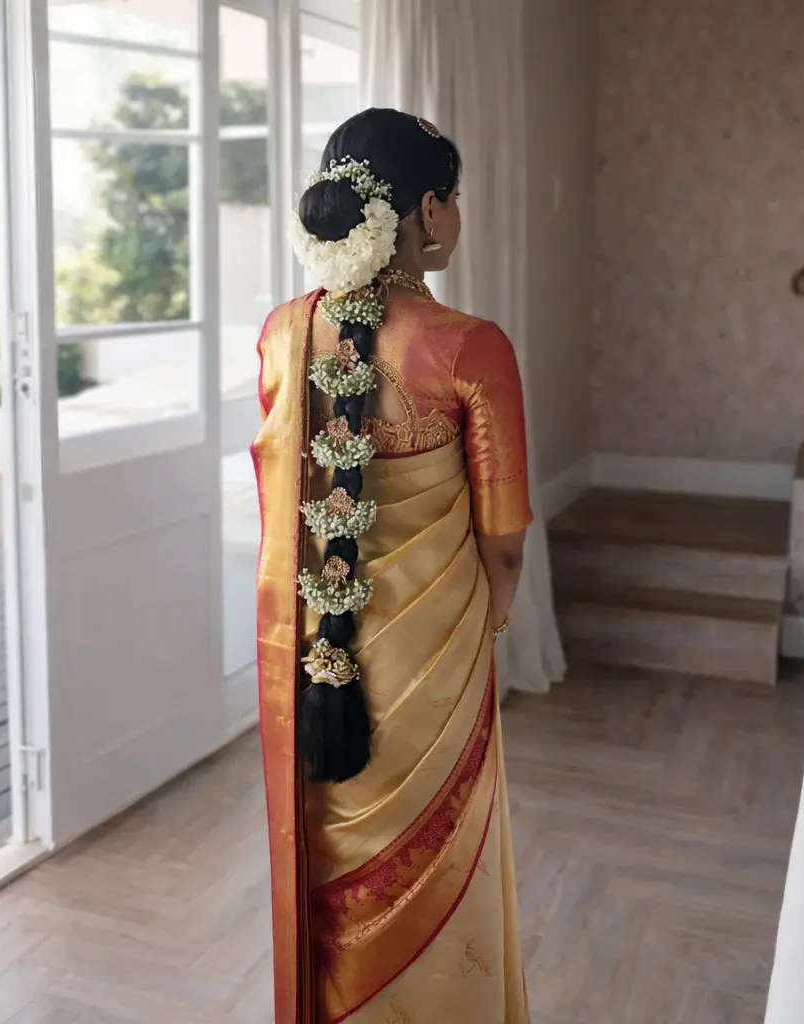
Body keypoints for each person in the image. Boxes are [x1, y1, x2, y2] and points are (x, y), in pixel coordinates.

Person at [252, 107, 532, 1024]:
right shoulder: (471, 344)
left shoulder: (285, 334)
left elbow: (288, 500)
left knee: (333, 856)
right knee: (442, 858)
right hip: (436, 661)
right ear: (425, 207)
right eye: (454, 198)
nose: (457, 216)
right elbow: (503, 537)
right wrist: (491, 620)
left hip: (317, 654)